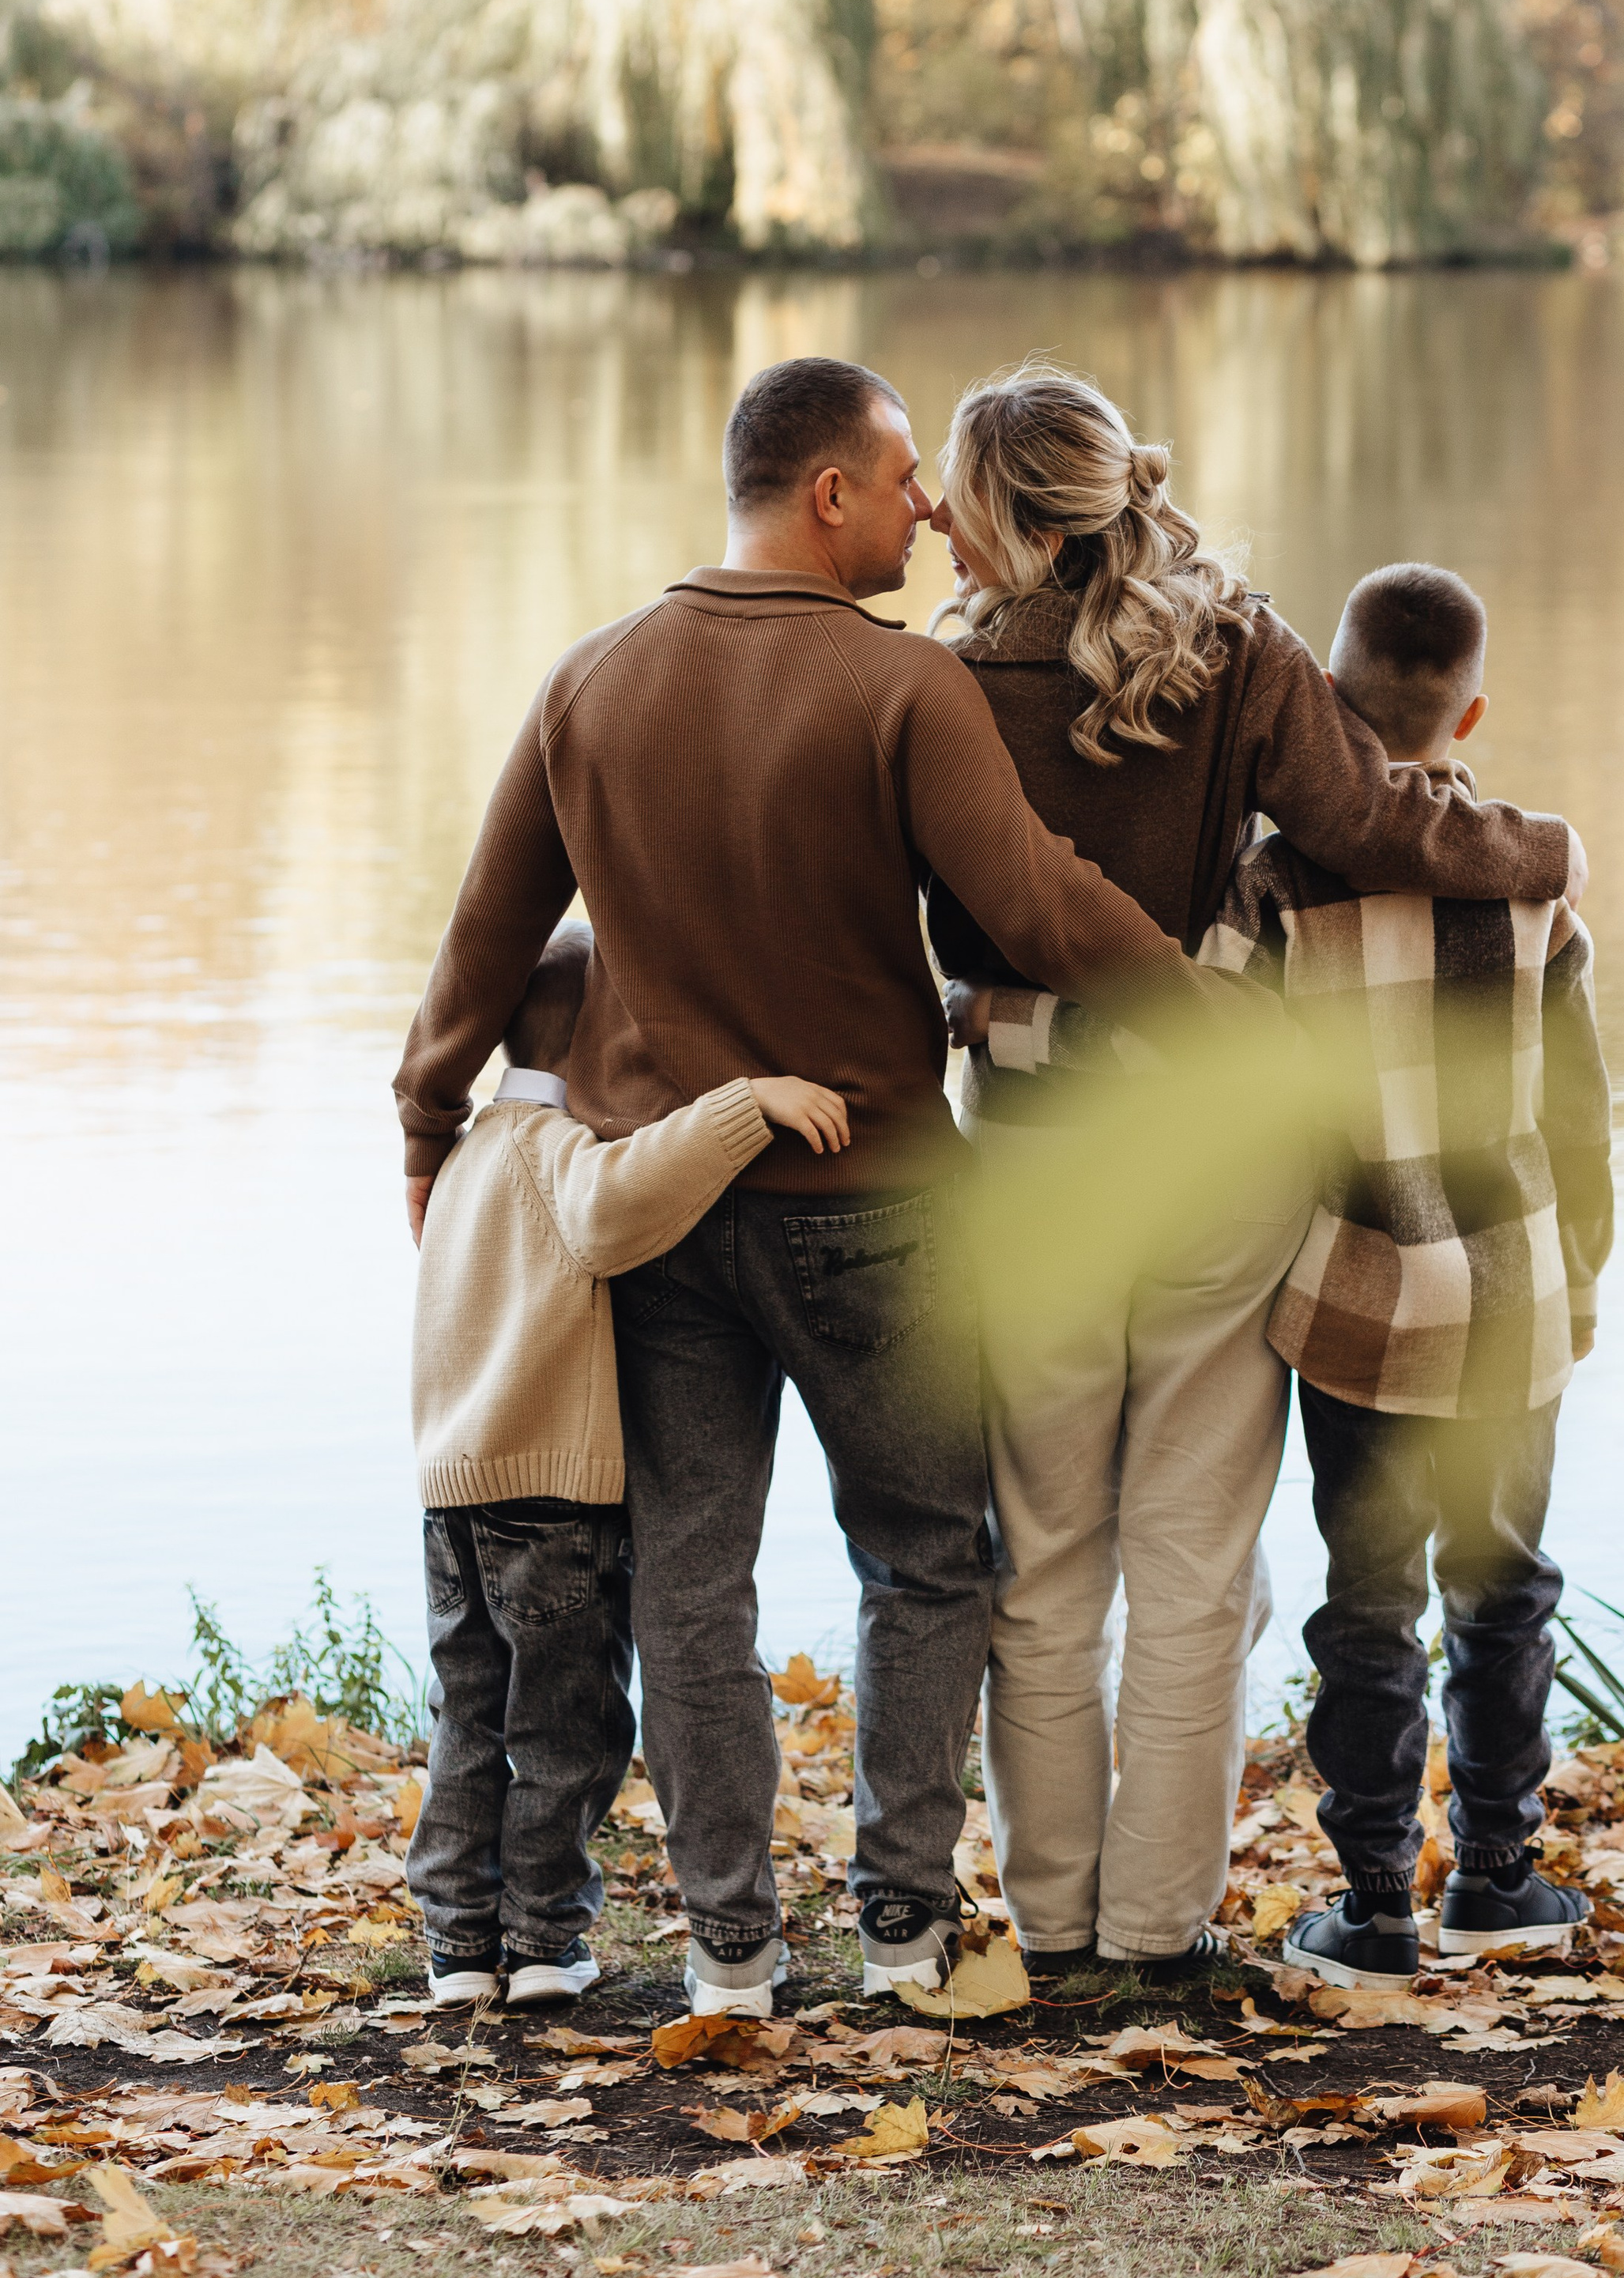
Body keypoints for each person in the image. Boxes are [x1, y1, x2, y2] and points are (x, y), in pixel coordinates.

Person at [394, 356, 1208, 2019]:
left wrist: (425, 1121)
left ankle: (728, 1951)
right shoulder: (900, 690)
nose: (927, 508)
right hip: (879, 1210)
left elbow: (480, 944)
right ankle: (902, 1928)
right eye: (902, 476)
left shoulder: (590, 683)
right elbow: (1040, 912)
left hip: (664, 1208)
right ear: (823, 489)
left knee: (693, 1579)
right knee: (924, 1555)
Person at [927, 365, 1584, 1980]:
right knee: (1193, 1555)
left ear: (994, 507)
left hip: (1025, 1152)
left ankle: (1053, 1920)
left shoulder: (928, 681)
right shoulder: (1231, 647)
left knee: (1046, 1548)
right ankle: (1161, 1928)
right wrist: (1537, 855)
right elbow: (1372, 824)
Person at [1213, 563, 1612, 1986]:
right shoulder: (1535, 882)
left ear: (1326, 699)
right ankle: (1500, 1875)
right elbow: (1580, 1105)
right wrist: (1586, 1267)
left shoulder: (1275, 883)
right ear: (1474, 708)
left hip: (1361, 1300)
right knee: (1503, 1587)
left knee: (1366, 1596)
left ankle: (1376, 1898)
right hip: (1514, 1298)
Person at [405, 920, 849, 2009]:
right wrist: (749, 1103)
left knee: (470, 1718)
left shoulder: (465, 1154)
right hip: (553, 1499)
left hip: (454, 1495)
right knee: (565, 1732)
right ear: (605, 1029)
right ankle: (545, 1939)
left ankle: (460, 1945)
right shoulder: (559, 1154)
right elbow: (619, 1206)